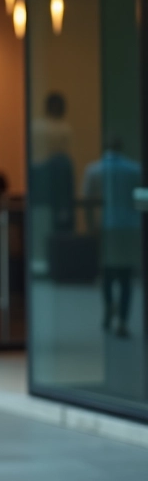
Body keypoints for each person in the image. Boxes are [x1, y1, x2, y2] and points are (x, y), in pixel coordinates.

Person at [84, 137, 142, 337]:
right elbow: (142, 199)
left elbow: (89, 202)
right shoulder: (135, 169)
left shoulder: (94, 170)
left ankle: (109, 309)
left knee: (107, 273)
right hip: (129, 226)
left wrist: (92, 226)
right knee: (126, 277)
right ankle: (123, 320)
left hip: (106, 227)